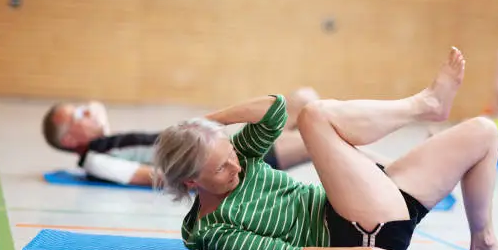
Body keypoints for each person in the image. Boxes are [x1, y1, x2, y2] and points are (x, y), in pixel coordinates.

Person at [153, 47, 498, 250]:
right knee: (314, 117)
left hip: (368, 206)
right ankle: (425, 105)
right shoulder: (211, 234)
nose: (236, 166)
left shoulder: (242, 159)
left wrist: (209, 123)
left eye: (232, 155)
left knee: (484, 133)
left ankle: (484, 244)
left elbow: (274, 109)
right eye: (221, 168)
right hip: (356, 235)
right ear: (190, 182)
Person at [40, 87, 321, 186]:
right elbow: (152, 177)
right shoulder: (97, 161)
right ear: (69, 142)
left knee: (304, 98)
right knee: (318, 132)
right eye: (78, 117)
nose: (87, 113)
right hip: (231, 159)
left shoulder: (106, 142)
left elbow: (96, 106)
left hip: (220, 142)